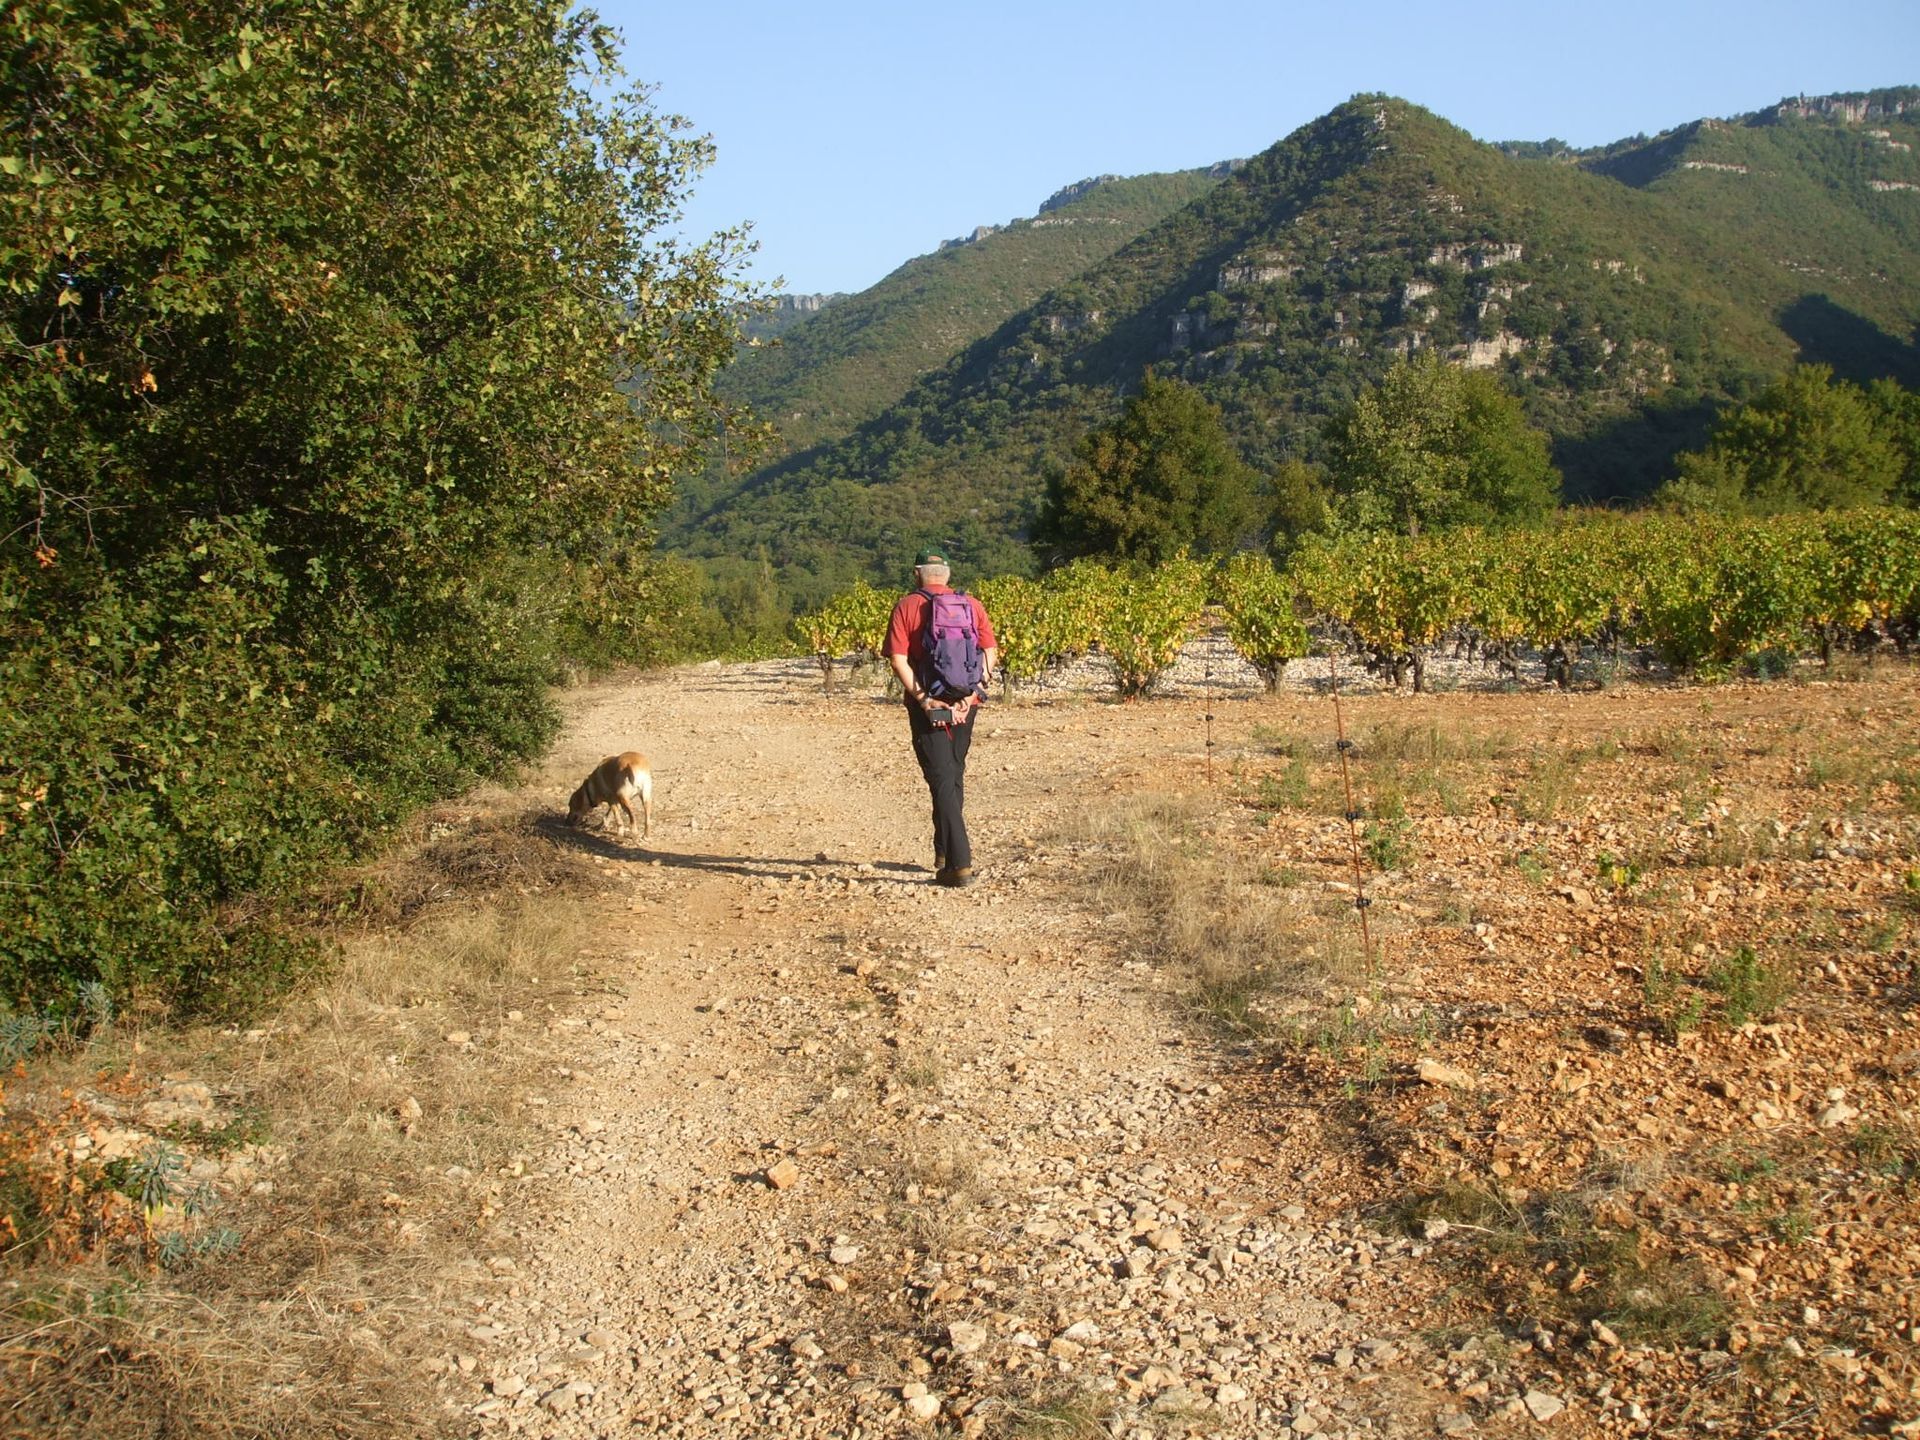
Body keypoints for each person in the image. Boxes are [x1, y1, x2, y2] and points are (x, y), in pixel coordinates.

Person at [882, 547, 997, 887]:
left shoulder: (906, 606)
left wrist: (925, 700)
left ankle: (960, 864)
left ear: (916, 574)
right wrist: (972, 695)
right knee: (953, 772)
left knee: (942, 777)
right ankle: (944, 850)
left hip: (928, 706)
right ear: (947, 575)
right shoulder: (971, 605)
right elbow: (989, 651)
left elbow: (898, 660)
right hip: (966, 703)